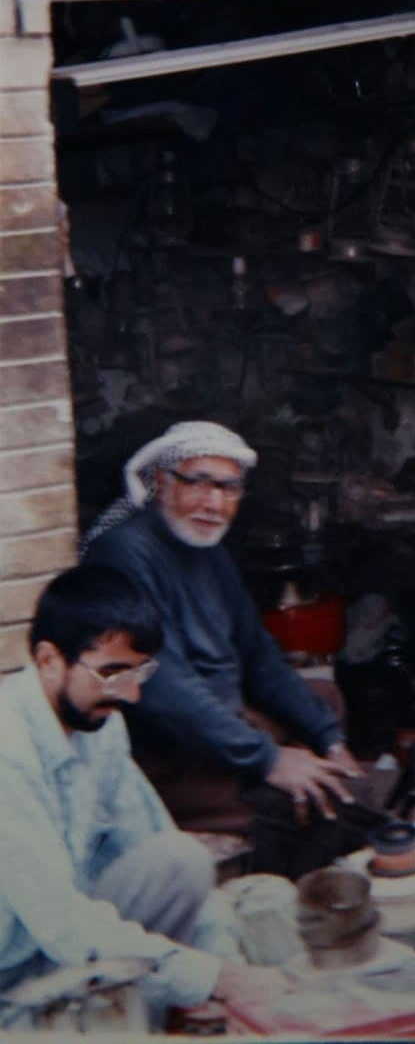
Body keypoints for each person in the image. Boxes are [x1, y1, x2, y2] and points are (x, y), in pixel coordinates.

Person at [0, 564, 284, 1021]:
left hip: (58, 952)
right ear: (50, 660)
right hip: (10, 984)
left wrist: (224, 966)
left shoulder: (100, 725)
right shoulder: (7, 756)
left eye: (139, 673)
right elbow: (62, 926)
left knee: (181, 860)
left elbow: (151, 836)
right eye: (112, 673)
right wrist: (209, 979)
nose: (131, 695)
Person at [82, 421, 363, 857]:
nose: (214, 503)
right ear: (161, 483)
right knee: (287, 809)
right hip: (165, 741)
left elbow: (259, 656)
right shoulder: (123, 554)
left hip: (217, 714)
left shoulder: (208, 551)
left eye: (229, 488)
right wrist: (269, 759)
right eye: (199, 483)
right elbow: (162, 691)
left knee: (326, 702)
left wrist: (328, 737)